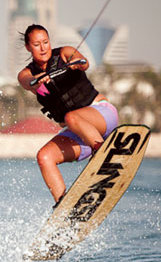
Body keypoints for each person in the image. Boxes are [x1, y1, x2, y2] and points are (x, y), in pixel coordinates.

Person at [17, 24, 119, 208]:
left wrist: (76, 63)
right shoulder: (27, 73)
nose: (43, 48)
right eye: (37, 44)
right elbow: (27, 81)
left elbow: (83, 61)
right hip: (81, 134)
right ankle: (64, 206)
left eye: (46, 42)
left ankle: (102, 154)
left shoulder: (65, 53)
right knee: (44, 156)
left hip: (102, 116)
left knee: (72, 118)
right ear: (28, 47)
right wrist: (37, 80)